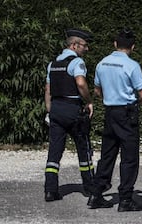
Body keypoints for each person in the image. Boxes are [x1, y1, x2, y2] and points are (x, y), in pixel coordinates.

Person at [87, 28, 142, 212]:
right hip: (127, 114)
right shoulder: (132, 66)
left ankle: (96, 194)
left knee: (107, 154)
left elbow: (97, 90)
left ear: (115, 44)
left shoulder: (102, 63)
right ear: (133, 46)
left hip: (110, 112)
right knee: (129, 158)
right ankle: (125, 199)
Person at [44, 28, 94, 202]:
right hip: (72, 108)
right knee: (84, 149)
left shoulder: (52, 64)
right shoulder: (76, 63)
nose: (86, 49)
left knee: (54, 152)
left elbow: (48, 90)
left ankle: (50, 190)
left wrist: (50, 111)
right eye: (84, 46)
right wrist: (88, 101)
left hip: (56, 108)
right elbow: (80, 83)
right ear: (74, 45)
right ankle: (89, 187)